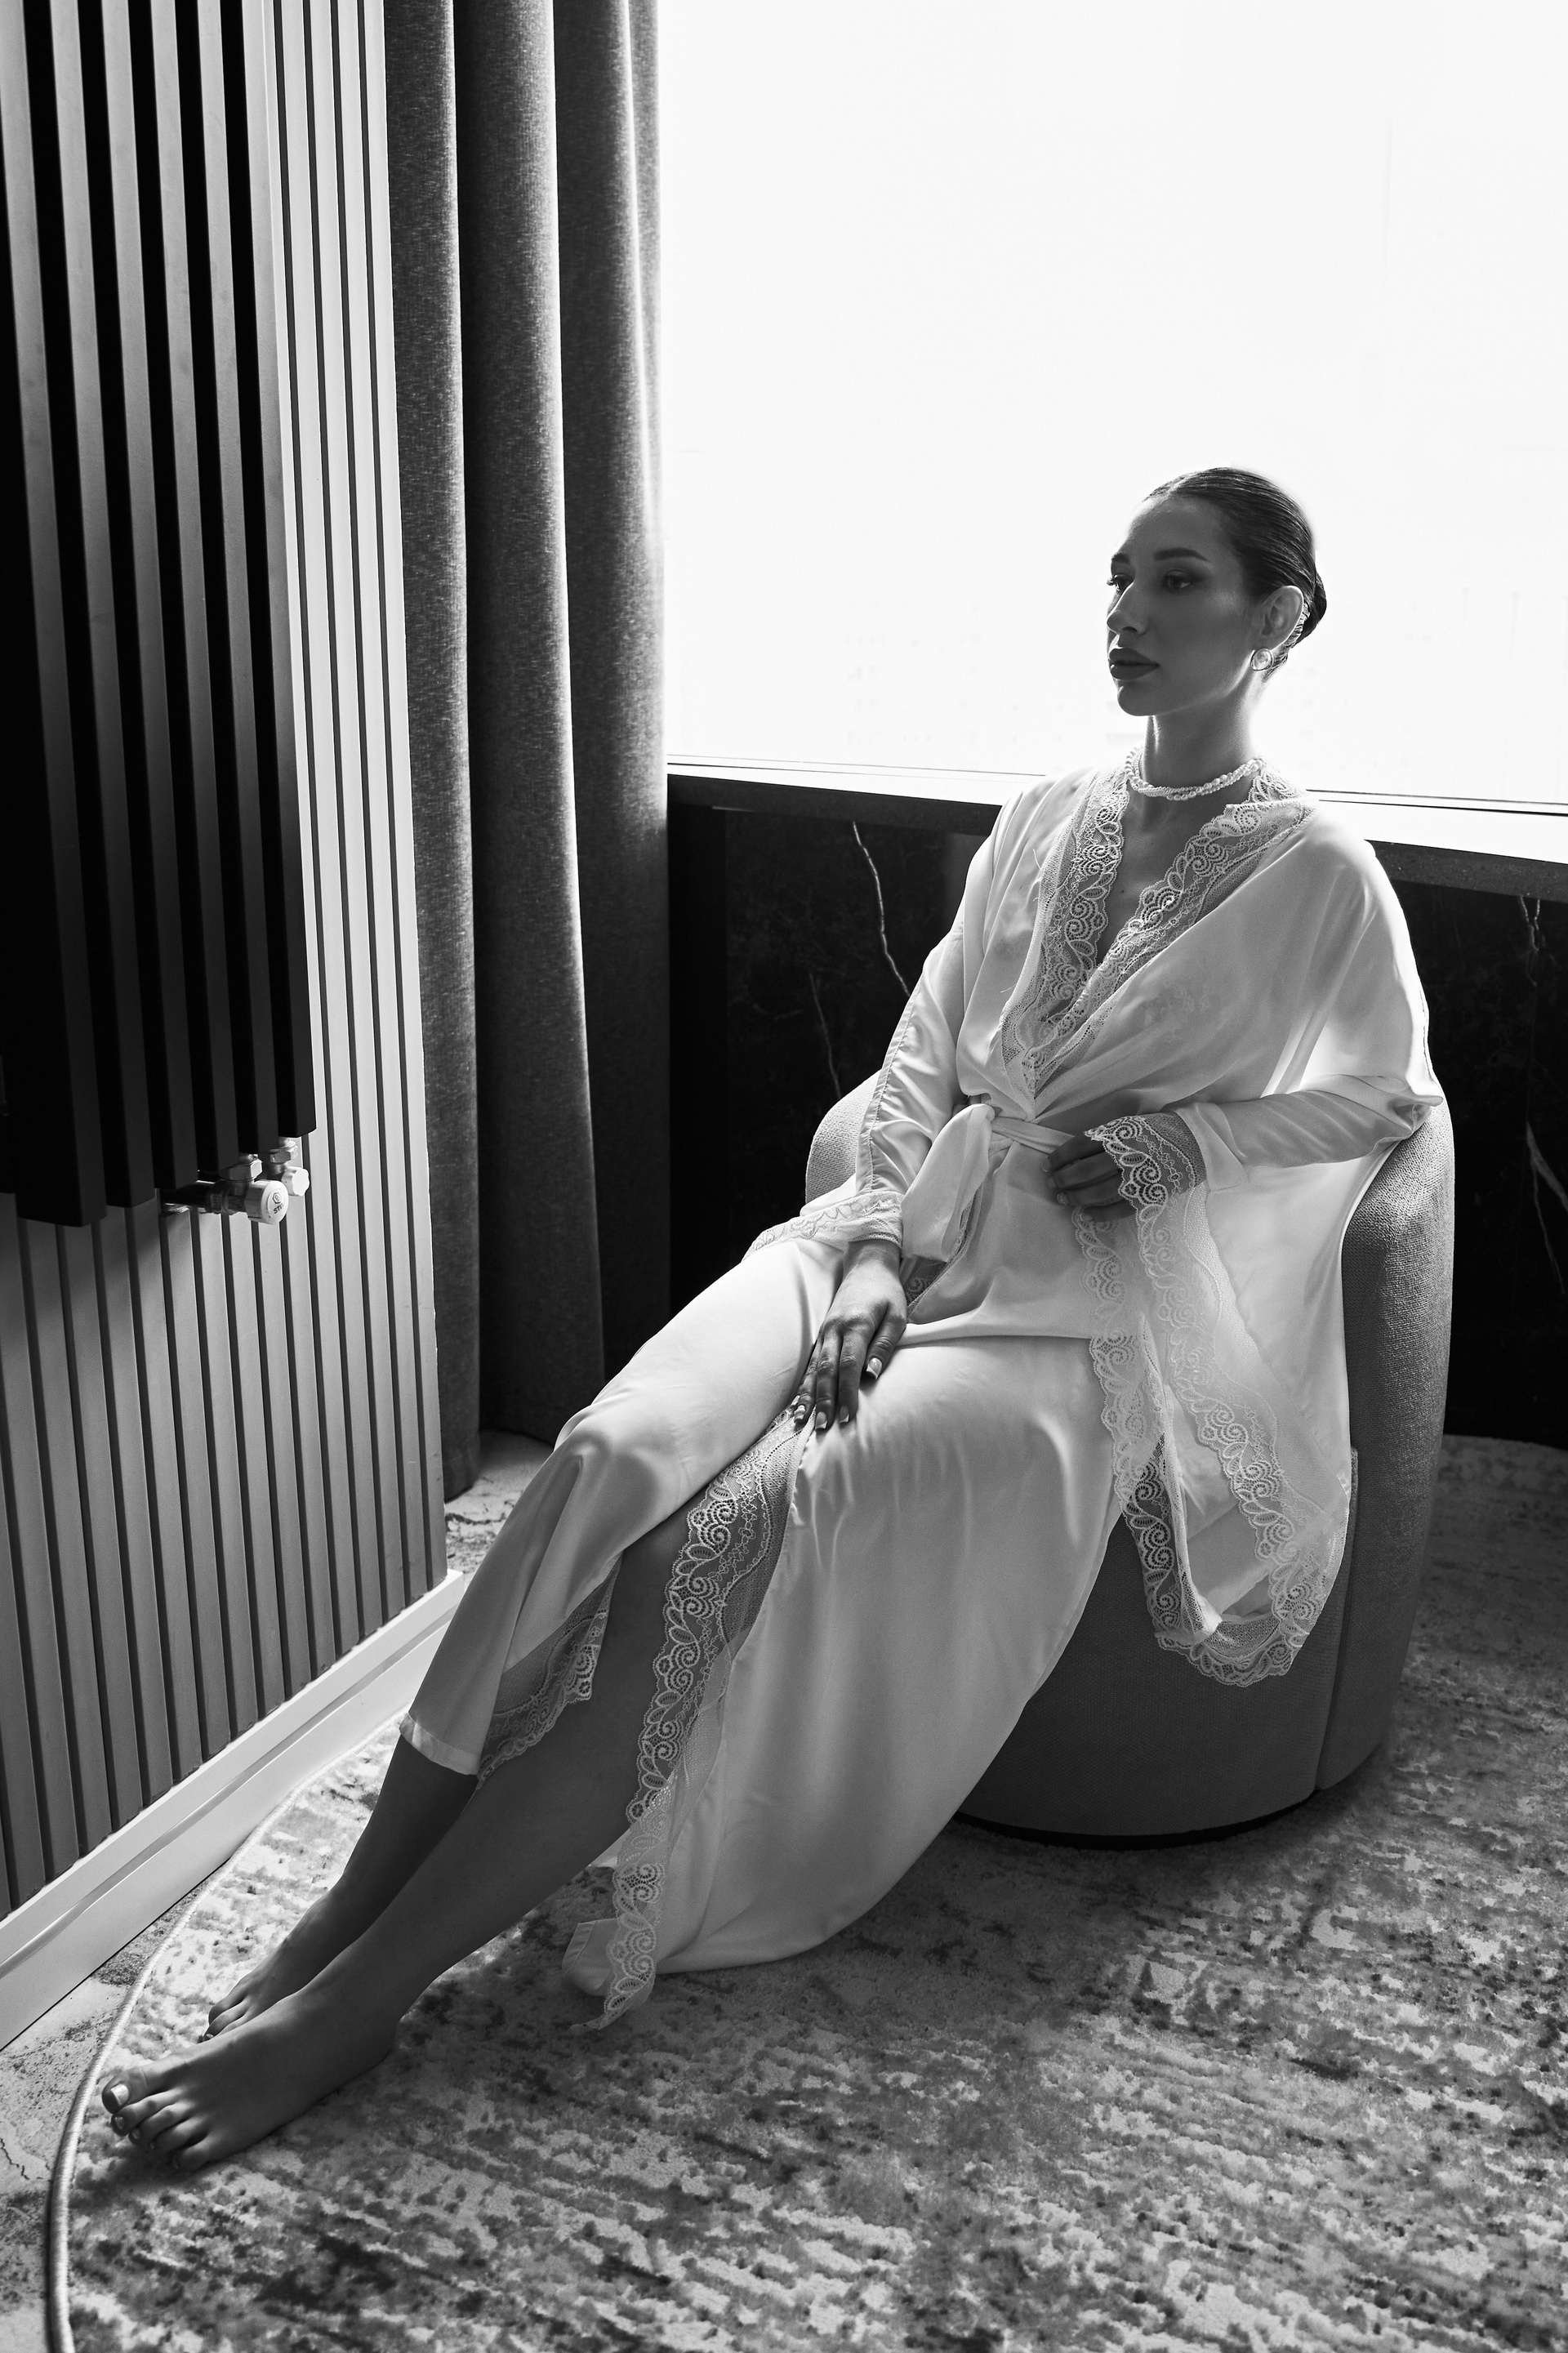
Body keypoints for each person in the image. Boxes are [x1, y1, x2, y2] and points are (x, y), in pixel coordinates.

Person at [103, 466, 1441, 2170]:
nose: (1126, 610)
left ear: (1277, 616)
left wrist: (1183, 1144)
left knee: (712, 1537)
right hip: (891, 1239)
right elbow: (921, 1054)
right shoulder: (1046, 813)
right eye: (1117, 576)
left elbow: (1385, 1096)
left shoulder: (1321, 873)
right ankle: (343, 1911)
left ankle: (364, 1998)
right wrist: (874, 1255)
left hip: (1063, 1324)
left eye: (1175, 579)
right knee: (604, 1455)